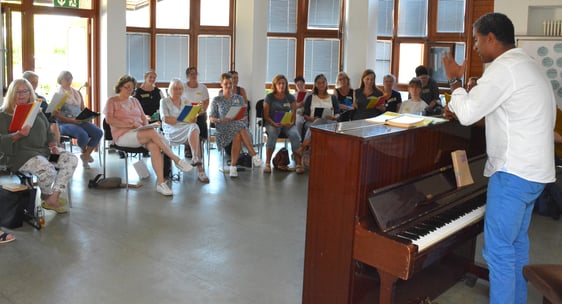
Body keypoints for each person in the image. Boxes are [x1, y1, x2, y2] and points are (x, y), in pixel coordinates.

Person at [442, 12, 556, 304]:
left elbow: (467, 115)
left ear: (491, 38)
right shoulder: (527, 66)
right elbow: (496, 117)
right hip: (535, 175)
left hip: (513, 175)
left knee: (498, 253)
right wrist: (466, 102)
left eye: (478, 40)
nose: (476, 47)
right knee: (516, 246)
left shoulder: (503, 69)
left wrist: (455, 81)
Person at [104, 75, 193, 196]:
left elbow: (143, 118)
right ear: (120, 86)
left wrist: (146, 126)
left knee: (154, 146)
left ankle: (161, 184)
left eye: (132, 88)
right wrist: (130, 124)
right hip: (122, 135)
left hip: (139, 132)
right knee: (152, 133)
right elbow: (110, 120)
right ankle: (176, 159)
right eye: (127, 87)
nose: (130, 90)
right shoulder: (112, 101)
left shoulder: (135, 101)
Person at [0, 78, 78, 214]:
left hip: (45, 152)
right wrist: (18, 135)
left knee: (70, 159)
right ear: (11, 94)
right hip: (20, 155)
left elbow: (48, 131)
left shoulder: (37, 111)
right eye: (18, 92)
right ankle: (47, 196)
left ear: (30, 93)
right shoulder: (3, 115)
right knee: (48, 170)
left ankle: (53, 198)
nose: (22, 95)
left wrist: (53, 145)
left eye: (25, 91)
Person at [210, 73, 264, 178]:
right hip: (223, 128)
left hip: (238, 126)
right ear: (221, 84)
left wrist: (240, 117)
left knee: (237, 132)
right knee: (239, 128)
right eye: (226, 84)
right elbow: (211, 117)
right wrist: (220, 119)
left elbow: (245, 116)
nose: (229, 86)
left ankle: (233, 167)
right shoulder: (217, 100)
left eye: (231, 83)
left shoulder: (239, 98)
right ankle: (254, 155)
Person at [160, 78, 209, 183]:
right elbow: (166, 119)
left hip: (186, 128)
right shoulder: (164, 101)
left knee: (194, 126)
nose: (178, 91)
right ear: (170, 90)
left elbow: (192, 117)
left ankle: (196, 158)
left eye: (180, 89)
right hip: (171, 130)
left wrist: (193, 117)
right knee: (195, 135)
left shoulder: (186, 100)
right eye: (175, 89)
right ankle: (200, 170)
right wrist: (181, 118)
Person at [53, 71, 103, 169]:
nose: (68, 80)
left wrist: (87, 117)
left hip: (79, 121)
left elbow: (82, 109)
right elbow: (55, 114)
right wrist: (72, 121)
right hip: (64, 123)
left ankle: (86, 155)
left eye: (70, 78)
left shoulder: (77, 93)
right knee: (82, 134)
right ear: (60, 80)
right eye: (66, 78)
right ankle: (84, 152)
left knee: (98, 132)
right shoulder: (58, 94)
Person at [263, 74, 302, 173]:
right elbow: (266, 116)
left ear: (286, 85)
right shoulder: (269, 97)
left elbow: (294, 113)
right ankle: (267, 163)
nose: (281, 85)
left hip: (287, 123)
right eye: (279, 83)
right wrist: (274, 124)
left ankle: (298, 164)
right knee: (273, 134)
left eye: (283, 83)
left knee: (295, 135)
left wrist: (292, 122)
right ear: (275, 85)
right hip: (272, 123)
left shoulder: (290, 97)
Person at [22, 70, 61, 144]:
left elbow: (48, 114)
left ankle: (56, 149)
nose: (35, 85)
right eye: (32, 83)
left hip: (45, 122)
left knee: (53, 124)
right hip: (31, 123)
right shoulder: (22, 98)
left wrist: (53, 113)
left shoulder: (41, 98)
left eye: (36, 83)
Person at [182, 67, 209, 159]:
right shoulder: (183, 87)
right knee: (187, 123)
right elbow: (178, 101)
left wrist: (202, 111)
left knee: (201, 120)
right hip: (186, 112)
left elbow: (206, 101)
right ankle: (188, 146)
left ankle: (198, 143)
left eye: (195, 74)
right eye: (191, 74)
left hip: (199, 112)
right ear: (187, 76)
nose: (194, 76)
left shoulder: (202, 87)